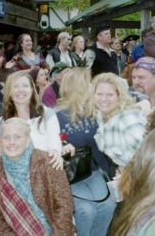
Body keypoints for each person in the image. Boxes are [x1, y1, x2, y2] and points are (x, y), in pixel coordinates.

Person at [0, 118, 74, 235]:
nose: (11, 142)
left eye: (17, 137)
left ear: (28, 140)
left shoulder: (49, 162)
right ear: (0, 141)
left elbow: (65, 207)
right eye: (6, 137)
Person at [55, 68, 116, 235]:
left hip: (93, 171)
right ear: (78, 86)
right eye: (88, 82)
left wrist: (144, 101)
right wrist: (60, 147)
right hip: (71, 175)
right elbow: (47, 145)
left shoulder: (94, 110)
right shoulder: (56, 116)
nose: (92, 85)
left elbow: (122, 97)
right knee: (86, 211)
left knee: (109, 205)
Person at [1, 71, 63, 169]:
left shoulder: (47, 113)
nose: (20, 90)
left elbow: (55, 143)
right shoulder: (2, 122)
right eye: (15, 86)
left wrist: (56, 152)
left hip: (46, 168)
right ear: (9, 92)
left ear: (32, 90)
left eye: (25, 86)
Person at [90, 72, 147, 168]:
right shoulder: (101, 116)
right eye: (99, 94)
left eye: (110, 95)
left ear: (120, 96)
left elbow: (149, 154)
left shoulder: (127, 119)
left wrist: (129, 174)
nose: (103, 99)